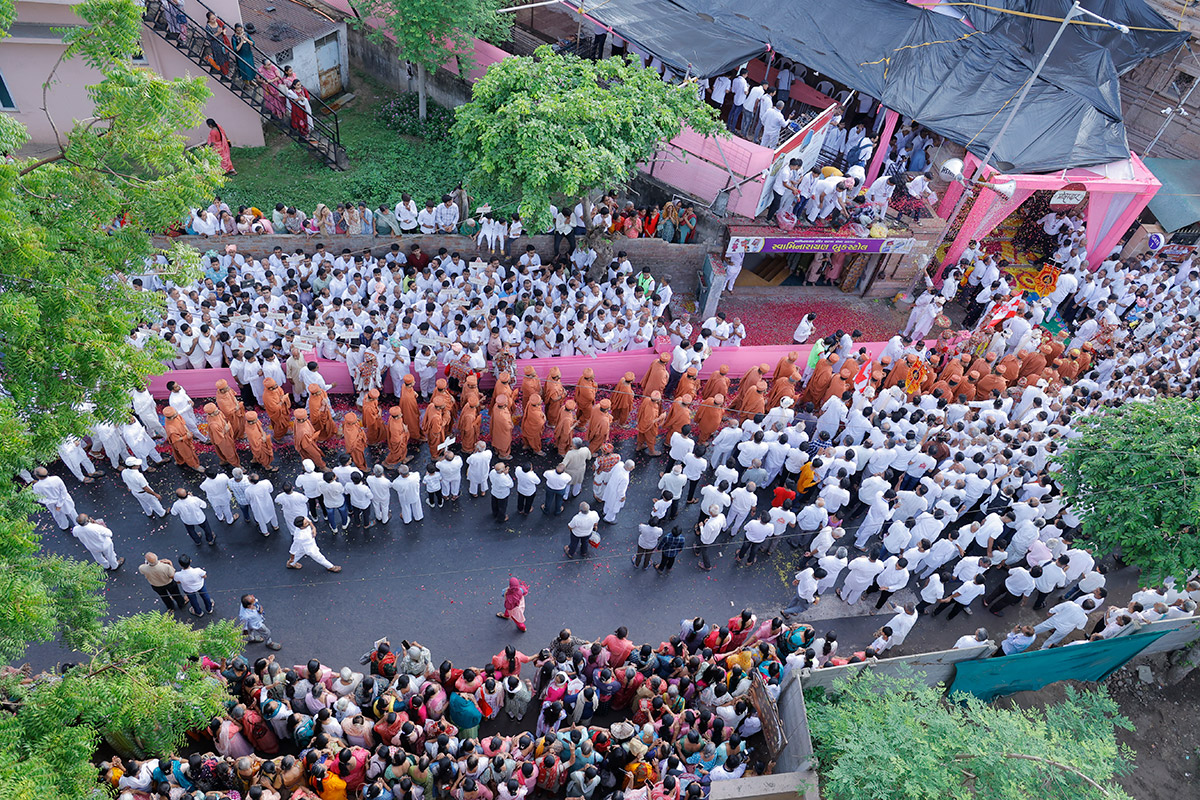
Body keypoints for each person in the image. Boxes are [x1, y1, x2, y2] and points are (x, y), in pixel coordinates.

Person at [31, 466, 77, 530]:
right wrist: (59, 504)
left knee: (59, 516)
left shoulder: (36, 486)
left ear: (38, 476)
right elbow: (63, 491)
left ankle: (64, 526)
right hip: (64, 500)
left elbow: (39, 498)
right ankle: (78, 524)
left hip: (52, 504)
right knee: (71, 512)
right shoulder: (56, 479)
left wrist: (52, 502)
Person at [176, 553, 214, 617]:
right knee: (205, 596)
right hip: (200, 586)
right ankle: (209, 609)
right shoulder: (198, 570)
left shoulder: (178, 575)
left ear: (180, 565)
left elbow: (178, 582)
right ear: (190, 561)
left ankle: (198, 612)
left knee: (193, 600)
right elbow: (204, 576)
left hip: (188, 589)